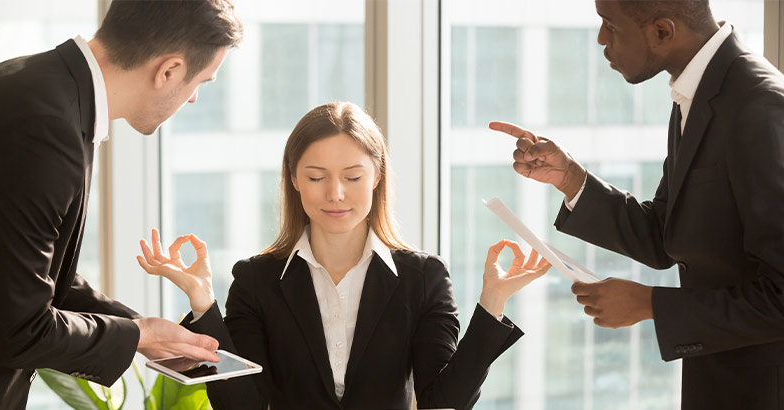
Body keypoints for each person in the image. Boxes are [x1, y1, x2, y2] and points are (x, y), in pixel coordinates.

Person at [137, 102, 552, 409]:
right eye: (316, 177)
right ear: (294, 179)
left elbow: (443, 402)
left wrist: (492, 303)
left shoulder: (422, 277)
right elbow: (242, 405)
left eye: (352, 177)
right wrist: (202, 301)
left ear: (377, 176)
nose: (335, 193)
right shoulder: (257, 279)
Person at [490, 0, 784, 409]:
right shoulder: (698, 92)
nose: (601, 39)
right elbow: (665, 233)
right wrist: (570, 178)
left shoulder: (760, 106)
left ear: (663, 32)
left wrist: (651, 304)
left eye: (610, 25)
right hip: (719, 381)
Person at [0, 1, 243, 409]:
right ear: (169, 71)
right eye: (201, 82)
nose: (193, 99)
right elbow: (16, 329)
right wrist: (138, 336)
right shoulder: (45, 130)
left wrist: (139, 330)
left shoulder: (37, 87)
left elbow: (23, 267)